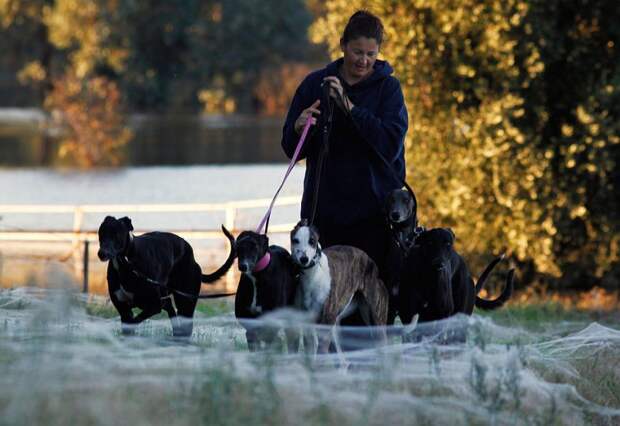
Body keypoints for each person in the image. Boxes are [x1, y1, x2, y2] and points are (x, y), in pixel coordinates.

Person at [281, 10, 408, 284]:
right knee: (322, 301)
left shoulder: (389, 89)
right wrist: (297, 129)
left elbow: (390, 145)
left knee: (372, 303)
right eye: (357, 52)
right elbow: (291, 150)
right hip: (324, 214)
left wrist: (349, 108)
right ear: (342, 45)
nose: (363, 61)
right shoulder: (314, 84)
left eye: (371, 54)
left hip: (374, 215)